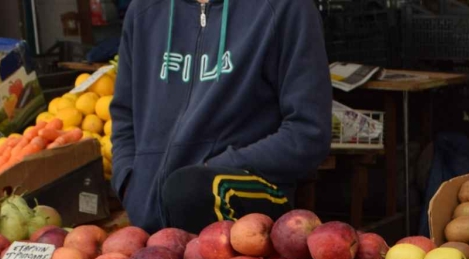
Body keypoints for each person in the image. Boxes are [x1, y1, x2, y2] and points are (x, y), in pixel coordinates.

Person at [108, 0, 332, 231]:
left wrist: (211, 171)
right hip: (150, 230)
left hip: (243, 222)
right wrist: (128, 183)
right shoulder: (144, 10)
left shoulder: (287, 8)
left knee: (188, 189)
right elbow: (124, 114)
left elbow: (309, 133)